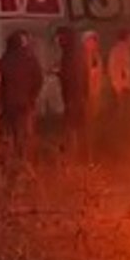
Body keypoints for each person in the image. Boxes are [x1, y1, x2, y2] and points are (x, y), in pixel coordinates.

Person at [0, 31, 44, 160]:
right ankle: (25, 161)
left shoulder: (5, 60)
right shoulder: (30, 59)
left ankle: (12, 162)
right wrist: (32, 96)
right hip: (26, 103)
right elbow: (39, 80)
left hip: (8, 104)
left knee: (10, 133)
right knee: (25, 134)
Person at [56, 26, 92, 161]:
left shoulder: (70, 54)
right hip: (80, 95)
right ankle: (85, 157)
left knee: (72, 127)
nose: (59, 40)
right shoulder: (78, 52)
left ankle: (74, 157)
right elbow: (84, 75)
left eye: (60, 37)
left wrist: (59, 74)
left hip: (73, 95)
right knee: (81, 127)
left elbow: (71, 75)